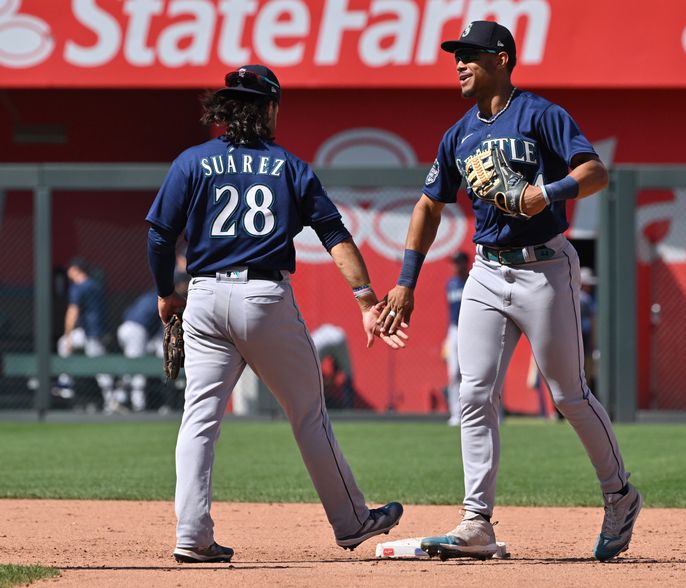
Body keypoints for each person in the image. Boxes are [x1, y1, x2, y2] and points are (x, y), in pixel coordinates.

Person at [379, 21, 641, 562]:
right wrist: (406, 280)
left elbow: (595, 172)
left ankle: (620, 495)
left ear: (501, 58)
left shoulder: (541, 114)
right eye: (456, 55)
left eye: (469, 54)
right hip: (487, 272)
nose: (459, 63)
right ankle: (476, 521)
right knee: (473, 394)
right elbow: (430, 204)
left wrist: (547, 194)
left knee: (568, 395)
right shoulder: (459, 134)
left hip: (546, 269)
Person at [146, 64, 406, 564]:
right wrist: (366, 299)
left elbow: (160, 234)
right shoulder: (289, 166)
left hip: (202, 297)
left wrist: (165, 293)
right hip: (263, 298)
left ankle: (191, 535)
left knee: (199, 420)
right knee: (308, 414)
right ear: (268, 108)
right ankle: (351, 521)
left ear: (226, 108)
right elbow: (334, 234)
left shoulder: (192, 162)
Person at [116, 275, 189, 412]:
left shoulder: (152, 293)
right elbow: (166, 325)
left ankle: (120, 398)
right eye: (185, 285)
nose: (186, 288)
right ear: (178, 285)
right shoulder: (167, 294)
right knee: (138, 369)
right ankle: (138, 406)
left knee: (131, 367)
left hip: (125, 328)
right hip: (137, 330)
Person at [57, 257, 114, 413]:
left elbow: (72, 312)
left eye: (70, 269)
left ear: (76, 270)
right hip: (96, 330)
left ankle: (111, 400)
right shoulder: (96, 285)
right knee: (100, 366)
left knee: (99, 366)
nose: (68, 272)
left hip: (91, 333)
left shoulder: (79, 286)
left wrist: (68, 336)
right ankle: (65, 385)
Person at [442, 251, 469, 426]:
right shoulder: (450, 284)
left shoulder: (471, 282)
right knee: (453, 373)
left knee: (480, 372)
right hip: (454, 329)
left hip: (472, 328)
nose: (455, 266)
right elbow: (450, 313)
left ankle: (491, 412)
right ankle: (456, 413)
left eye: (458, 262)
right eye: (454, 262)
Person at [579, 266, 598, 391]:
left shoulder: (587, 298)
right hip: (582, 337)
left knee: (587, 368)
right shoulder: (582, 298)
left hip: (585, 338)